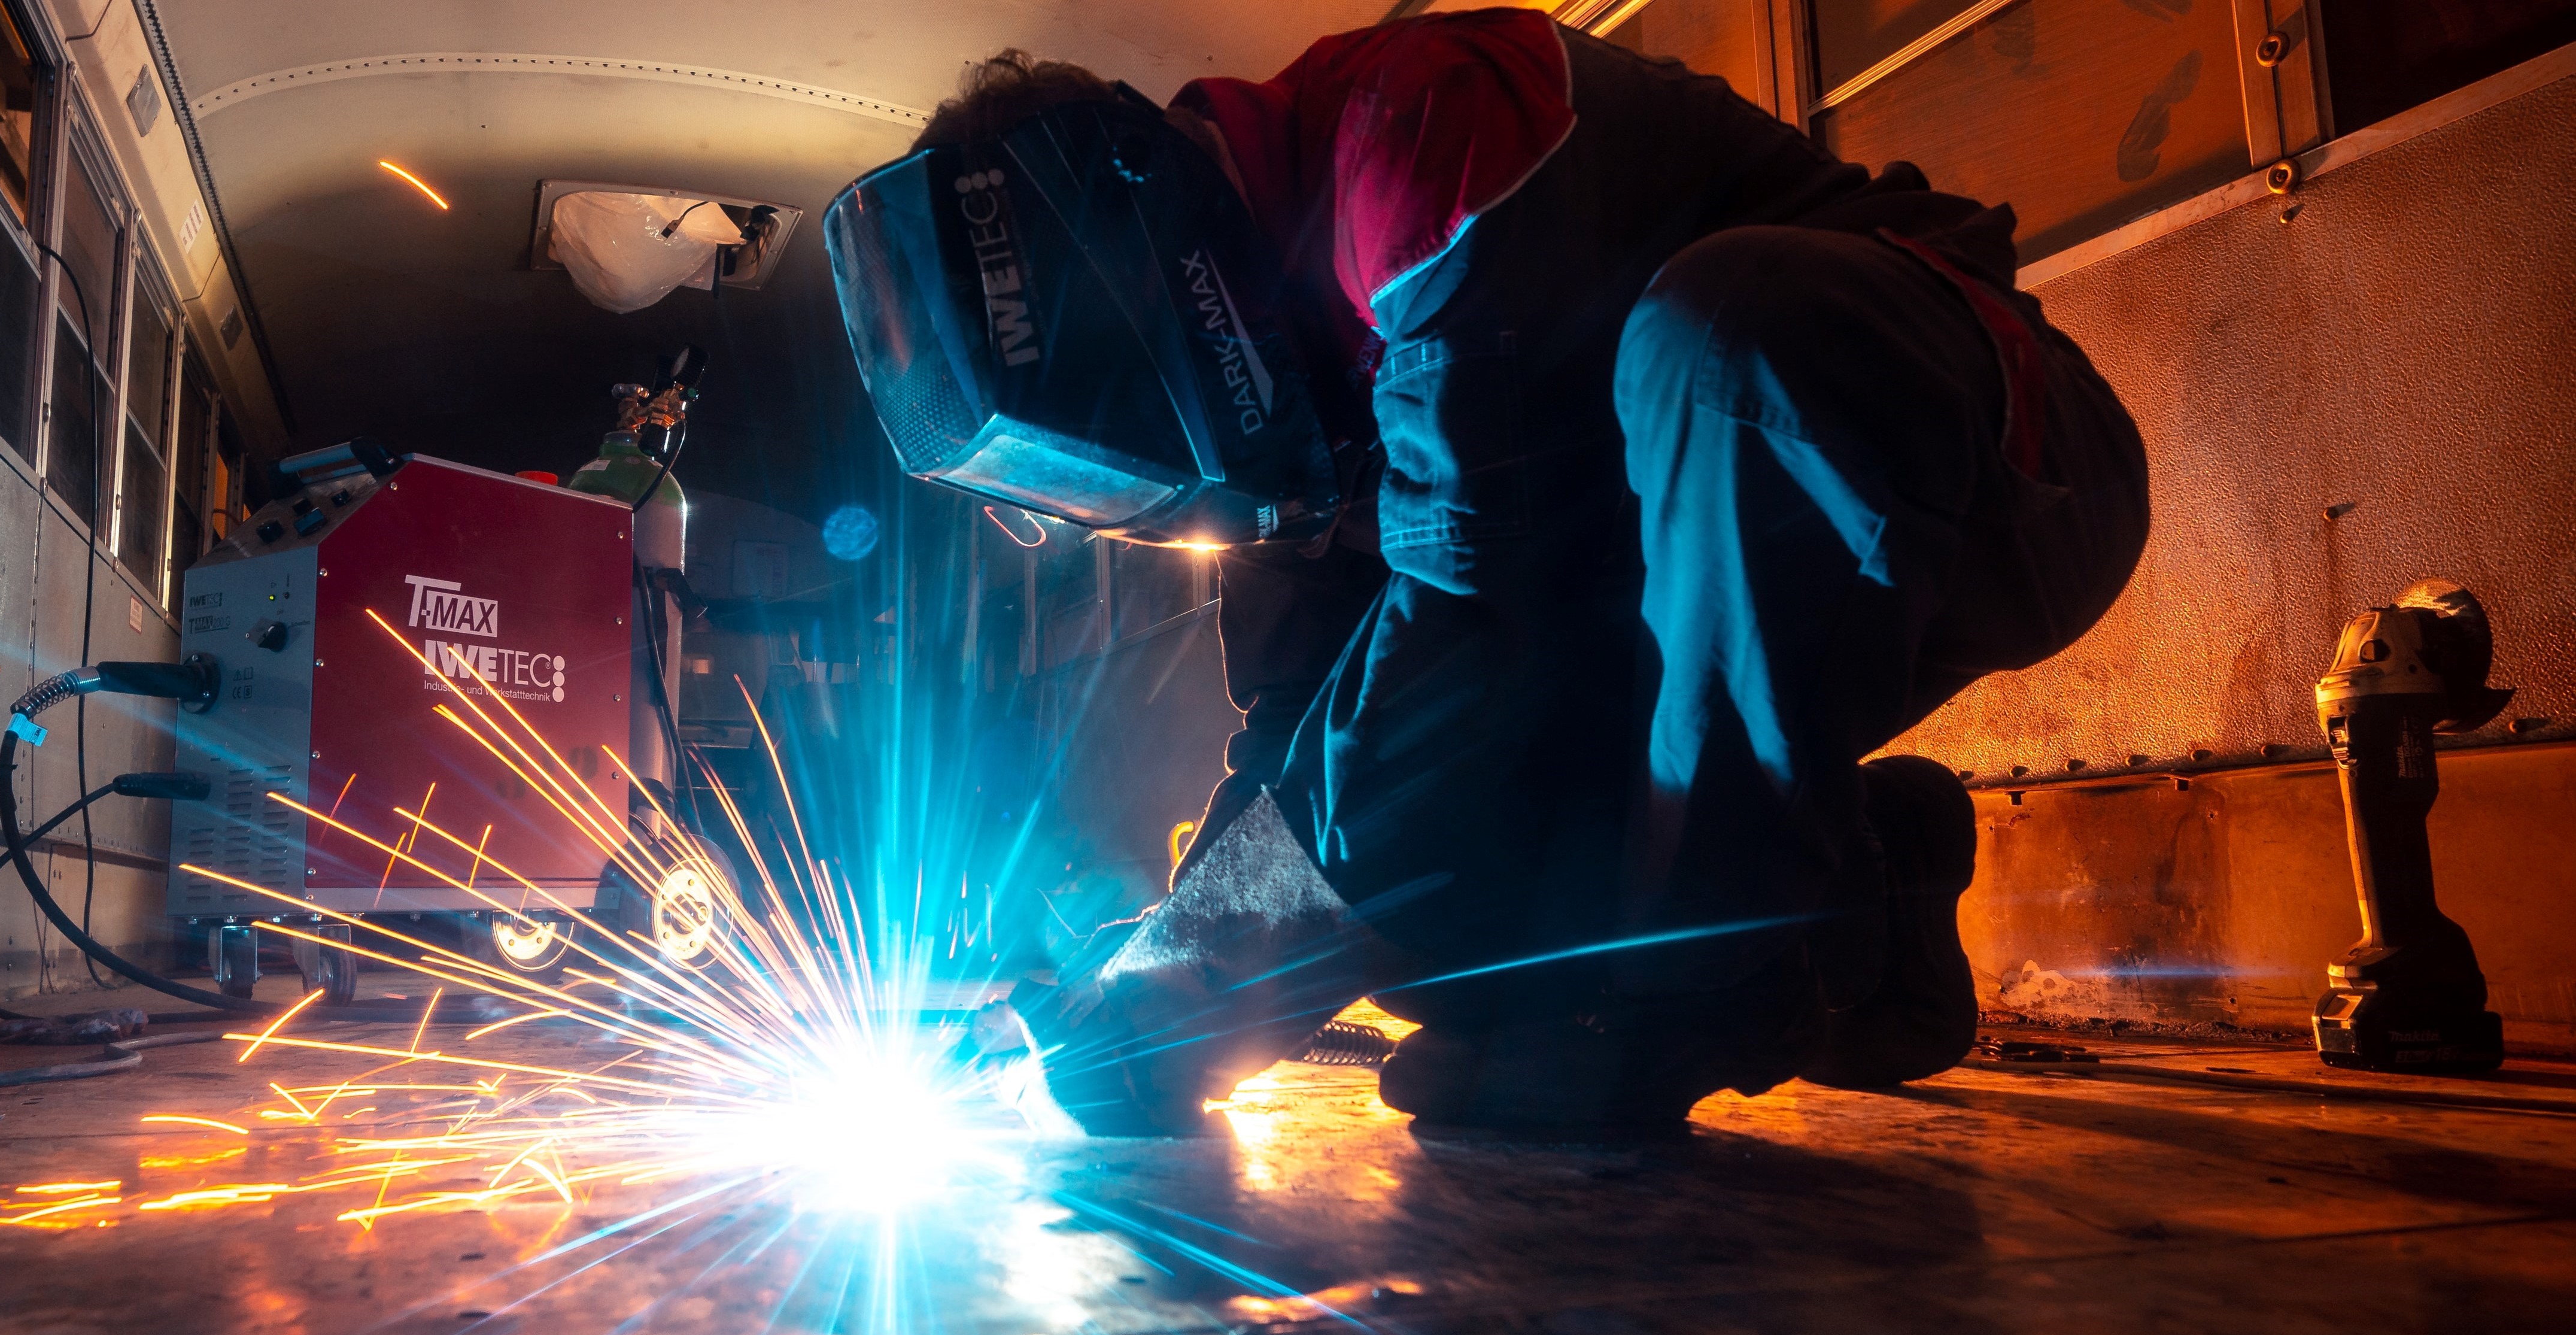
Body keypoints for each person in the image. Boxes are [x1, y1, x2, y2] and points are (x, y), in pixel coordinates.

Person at [828, 8, 2149, 1136]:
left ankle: (1708, 976)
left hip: (1994, 466)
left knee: (1724, 345)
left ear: (1137, 261)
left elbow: (1466, 631)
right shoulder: (1270, 409)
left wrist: (1178, 1003)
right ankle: (1862, 911)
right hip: (1691, 591)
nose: (1127, 505)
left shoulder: (1414, 132)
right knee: (1437, 939)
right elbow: (1305, 732)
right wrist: (1155, 971)